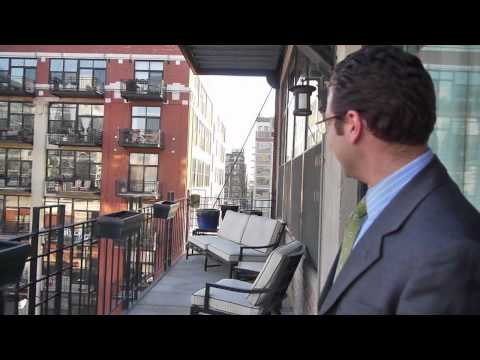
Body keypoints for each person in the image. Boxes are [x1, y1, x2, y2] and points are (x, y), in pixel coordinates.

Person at [317, 46, 480, 315]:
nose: (327, 137)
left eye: (326, 122)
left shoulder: (450, 253)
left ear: (353, 124)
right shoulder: (376, 211)